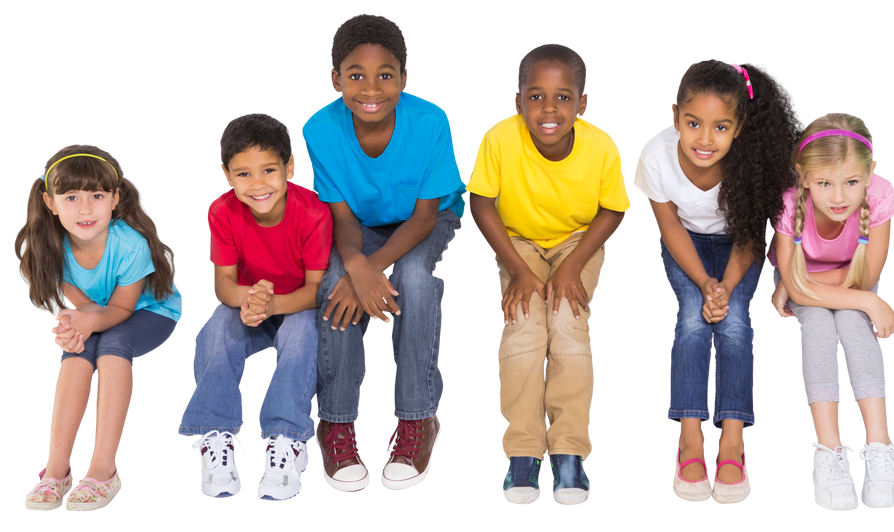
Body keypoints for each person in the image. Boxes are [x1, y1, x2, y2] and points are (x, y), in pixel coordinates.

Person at [299, 11, 466, 495]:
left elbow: (424, 216)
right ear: (334, 80)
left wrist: (373, 269)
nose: (371, 89)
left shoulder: (431, 119)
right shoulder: (319, 128)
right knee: (334, 285)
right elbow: (342, 218)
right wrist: (355, 266)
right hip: (356, 227)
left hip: (425, 219)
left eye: (385, 76)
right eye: (356, 76)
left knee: (414, 278)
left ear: (405, 79)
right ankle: (336, 422)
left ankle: (418, 418)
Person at [467, 41, 631, 508]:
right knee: (522, 327)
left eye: (563, 97)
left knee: (567, 325)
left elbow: (615, 210)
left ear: (583, 102)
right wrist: (517, 269)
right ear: (516, 100)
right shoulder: (498, 137)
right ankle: (522, 451)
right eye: (536, 96)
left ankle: (568, 451)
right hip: (516, 240)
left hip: (578, 241)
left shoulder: (602, 145)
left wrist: (574, 265)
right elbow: (480, 202)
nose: (549, 108)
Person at [632, 58, 803, 506]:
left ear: (740, 127)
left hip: (738, 245)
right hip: (685, 244)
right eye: (693, 123)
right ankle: (689, 436)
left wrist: (724, 286)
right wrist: (705, 283)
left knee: (733, 322)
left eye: (720, 127)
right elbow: (667, 227)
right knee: (691, 317)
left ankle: (732, 437)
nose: (705, 140)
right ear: (674, 116)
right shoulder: (654, 153)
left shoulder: (755, 162)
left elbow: (752, 233)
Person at [17, 143, 183, 513]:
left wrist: (90, 321)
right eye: (72, 197)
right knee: (75, 352)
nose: (86, 208)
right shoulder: (47, 246)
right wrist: (70, 325)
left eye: (96, 195)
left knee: (114, 347)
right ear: (50, 201)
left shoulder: (130, 244)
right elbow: (77, 302)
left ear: (114, 198)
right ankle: (56, 470)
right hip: (99, 312)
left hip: (150, 311)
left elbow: (122, 309)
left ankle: (103, 470)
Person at [176, 111, 329, 504]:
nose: (257, 185)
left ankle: (287, 439)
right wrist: (248, 300)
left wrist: (273, 301)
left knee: (301, 333)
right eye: (243, 174)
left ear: (290, 168)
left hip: (296, 303)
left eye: (268, 171)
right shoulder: (221, 210)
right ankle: (216, 434)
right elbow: (222, 284)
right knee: (215, 330)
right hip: (248, 304)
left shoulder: (313, 212)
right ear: (226, 175)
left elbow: (316, 291)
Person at [769, 111, 894, 514]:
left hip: (851, 277)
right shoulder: (788, 201)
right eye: (825, 183)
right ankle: (829, 452)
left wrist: (859, 297)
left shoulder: (881, 193)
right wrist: (868, 301)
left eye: (851, 182)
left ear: (871, 172)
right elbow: (797, 286)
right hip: (806, 279)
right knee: (816, 328)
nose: (838, 197)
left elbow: (866, 275)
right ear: (804, 175)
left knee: (854, 324)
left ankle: (879, 447)